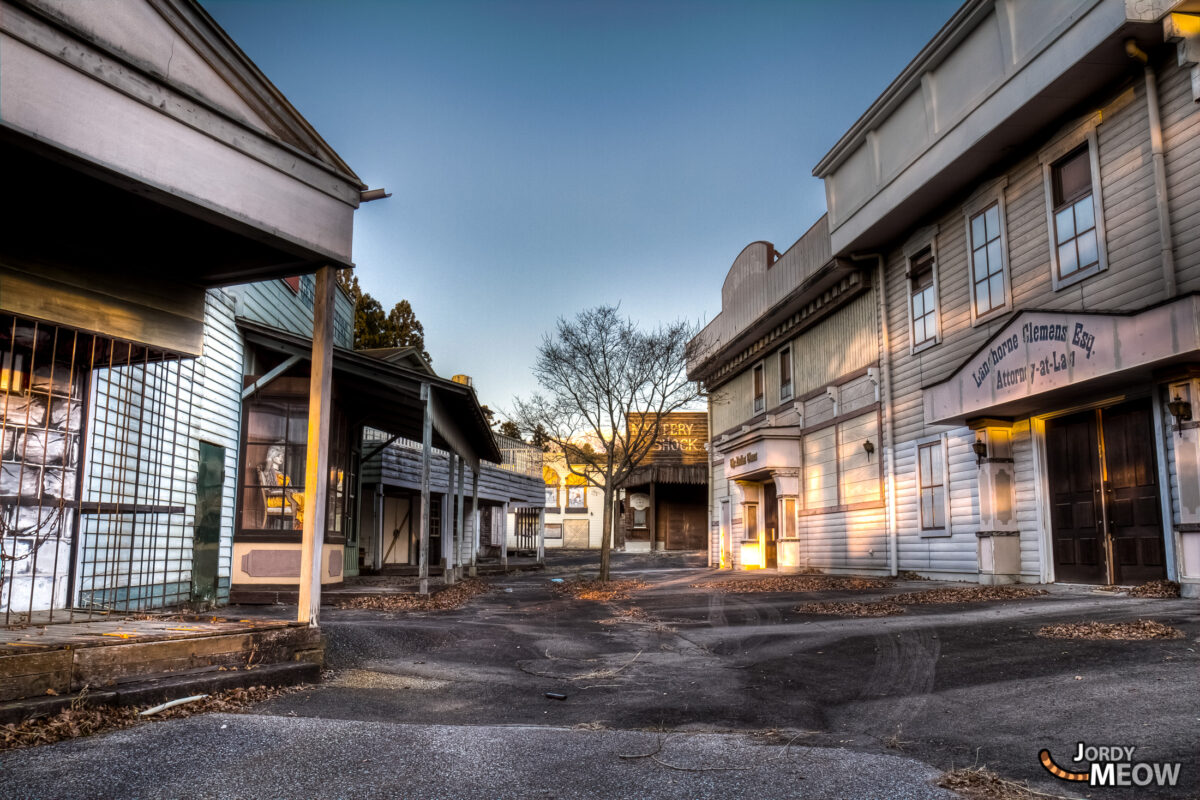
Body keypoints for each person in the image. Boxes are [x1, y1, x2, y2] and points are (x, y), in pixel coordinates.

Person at [260, 445, 303, 528]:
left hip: (286, 497)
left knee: (305, 497)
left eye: (281, 456)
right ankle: (299, 528)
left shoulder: (282, 473)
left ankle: (301, 529)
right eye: (277, 455)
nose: (281, 458)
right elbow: (270, 487)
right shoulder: (269, 472)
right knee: (303, 499)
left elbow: (289, 488)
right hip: (276, 498)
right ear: (272, 456)